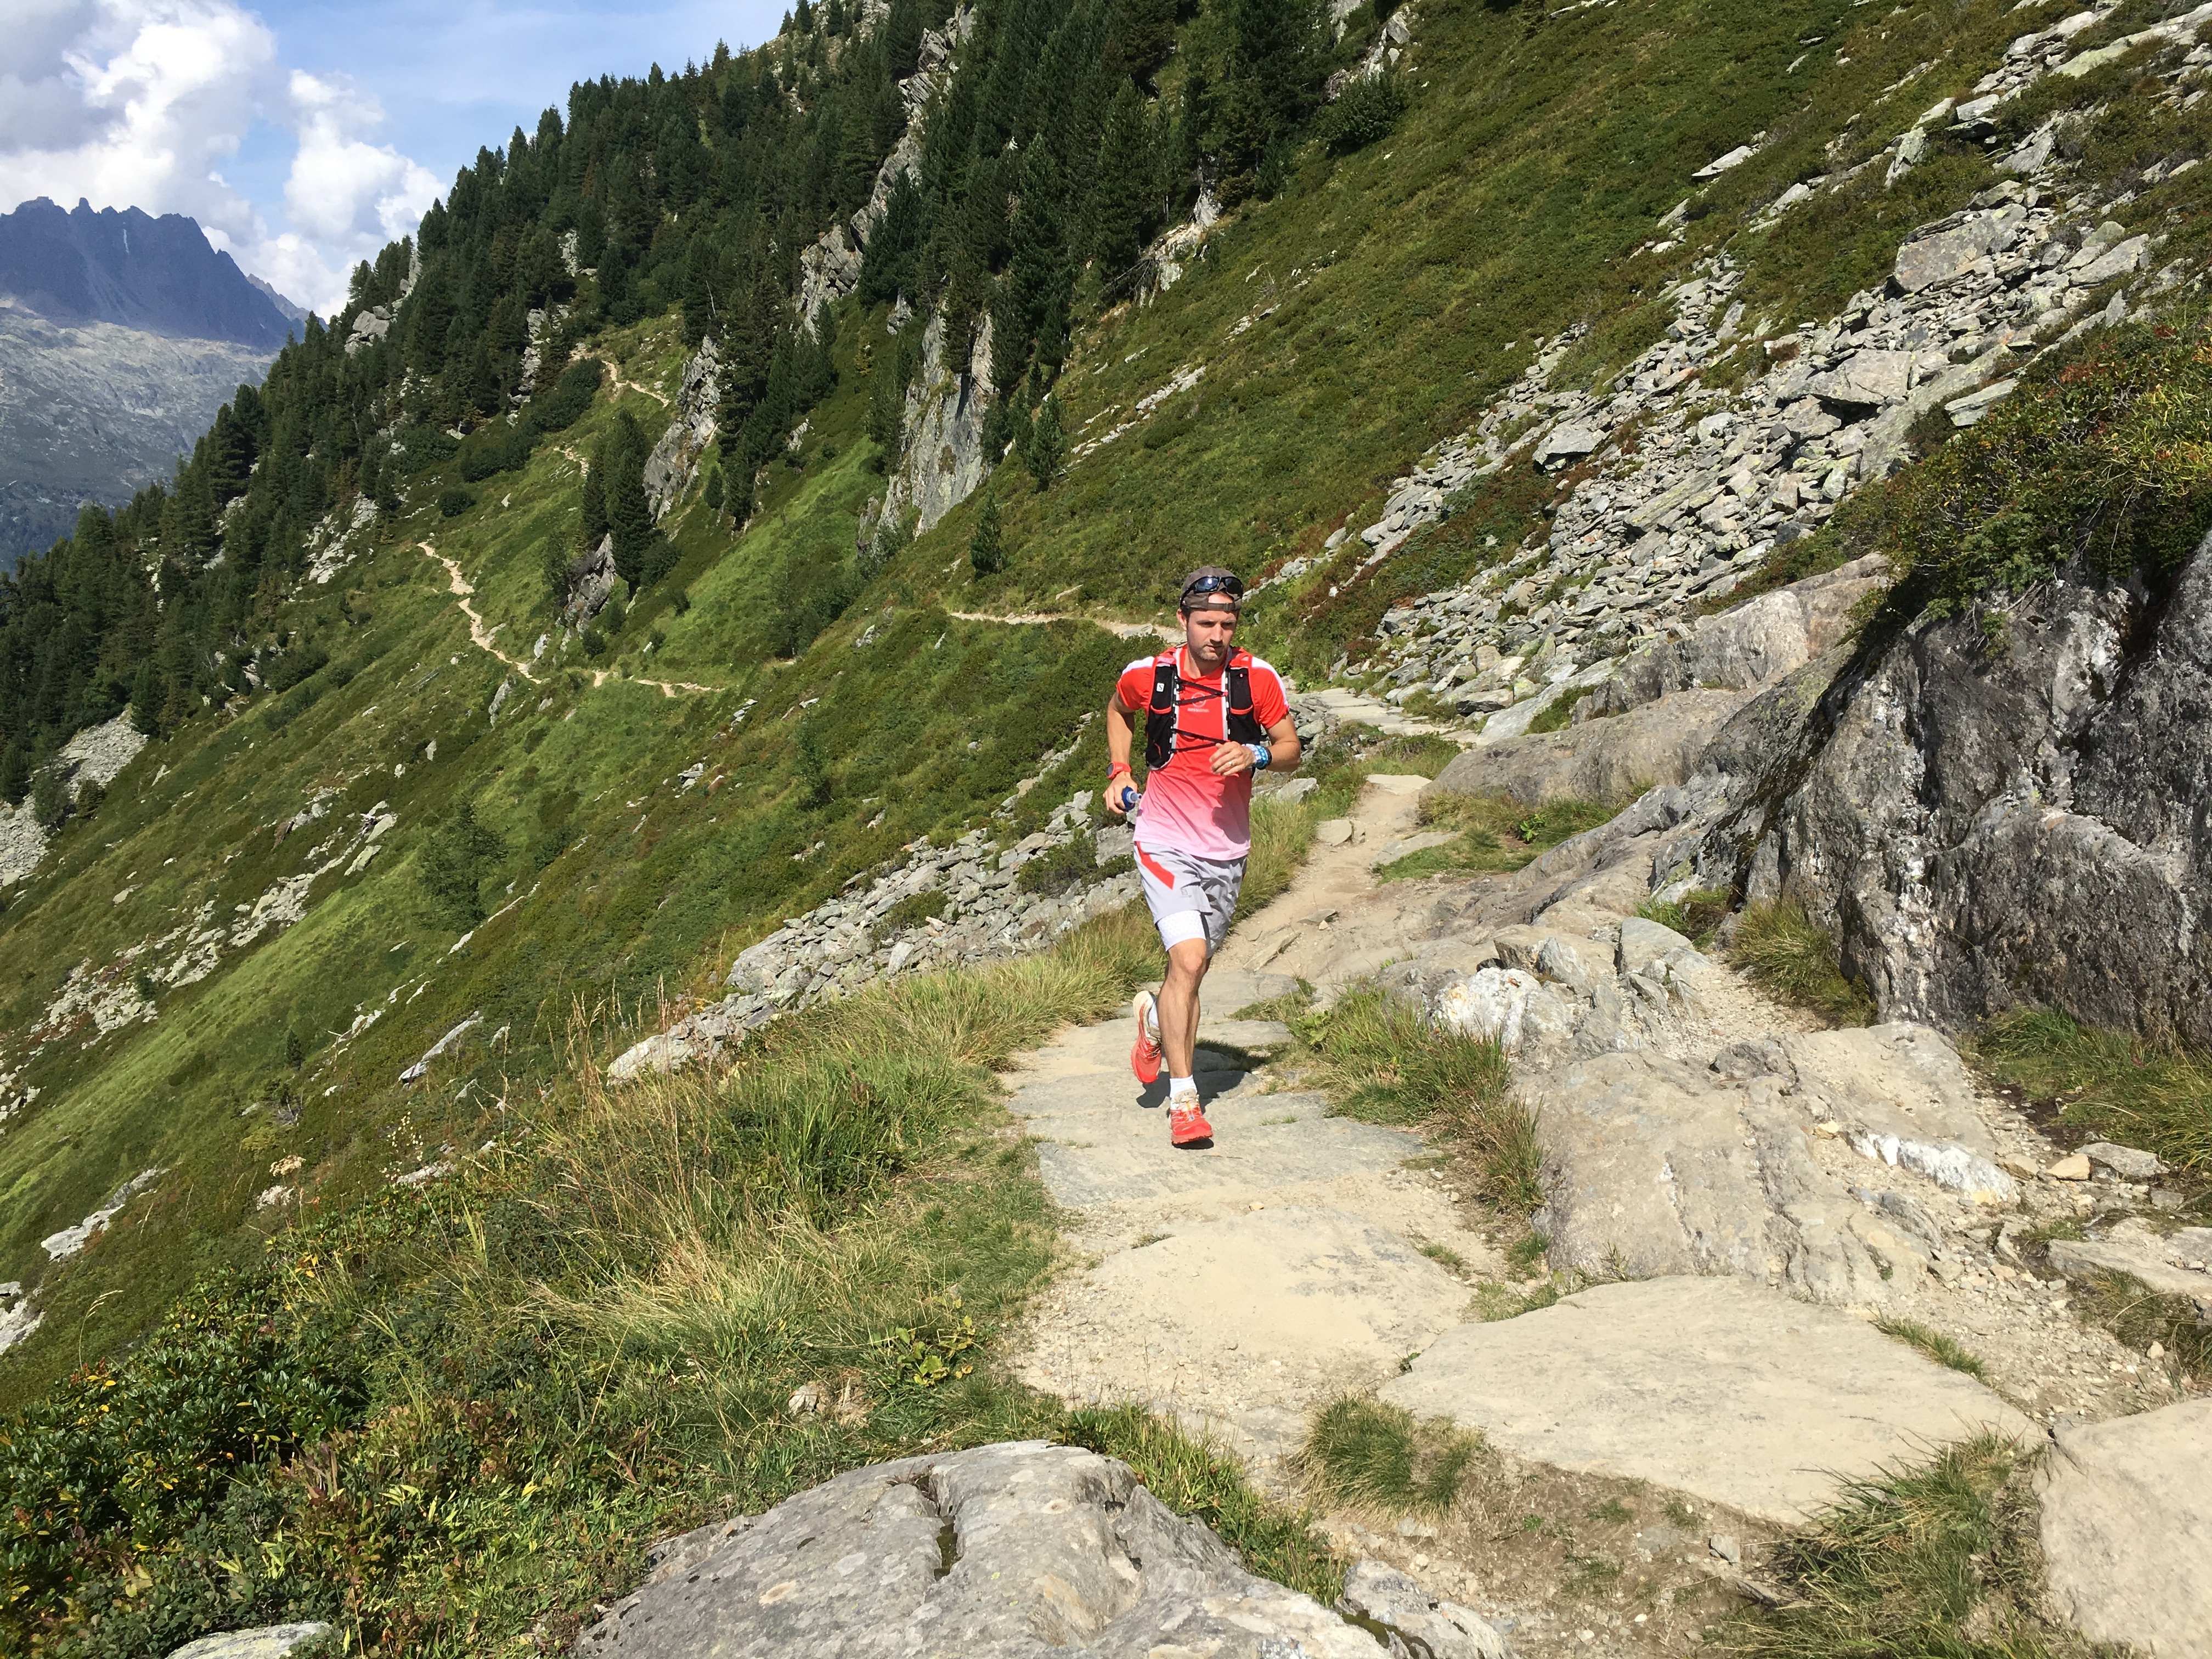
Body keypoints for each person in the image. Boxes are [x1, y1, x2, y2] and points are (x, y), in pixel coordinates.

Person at [1105, 567, 1301, 1147]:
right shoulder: (1149, 676)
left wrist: (1257, 755)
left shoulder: (1256, 679)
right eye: (1207, 622)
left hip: (1227, 850)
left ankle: (1151, 1020)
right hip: (1163, 839)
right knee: (1188, 963)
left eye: (1228, 623)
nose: (1218, 634)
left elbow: (1291, 747)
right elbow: (1118, 711)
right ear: (1183, 621)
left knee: (1189, 975)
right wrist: (1118, 773)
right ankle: (1184, 1101)